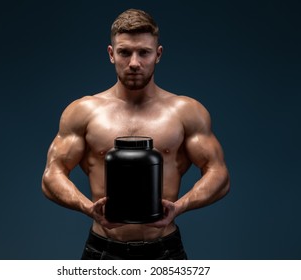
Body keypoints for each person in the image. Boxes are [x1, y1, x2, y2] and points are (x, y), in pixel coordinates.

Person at [42, 8, 230, 260]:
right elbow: (51, 175)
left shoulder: (186, 111)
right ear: (111, 54)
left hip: (165, 249)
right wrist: (88, 208)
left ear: (158, 54)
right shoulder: (83, 111)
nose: (134, 63)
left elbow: (219, 174)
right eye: (124, 52)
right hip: (103, 250)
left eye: (144, 52)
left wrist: (180, 206)